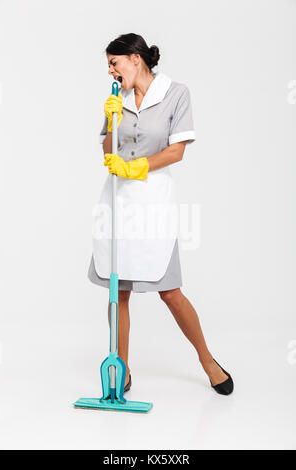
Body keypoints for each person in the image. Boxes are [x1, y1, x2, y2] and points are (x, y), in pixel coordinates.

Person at [88, 33, 233, 396]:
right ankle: (121, 368)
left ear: (135, 58)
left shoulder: (175, 93)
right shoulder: (116, 98)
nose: (110, 70)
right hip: (118, 204)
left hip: (153, 204)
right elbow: (108, 151)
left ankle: (207, 360)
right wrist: (111, 120)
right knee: (117, 292)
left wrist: (137, 167)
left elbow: (177, 151)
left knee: (169, 291)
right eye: (108, 64)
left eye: (114, 62)